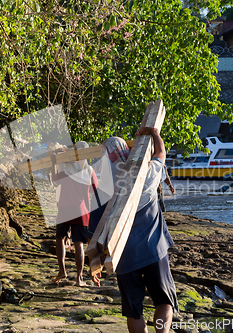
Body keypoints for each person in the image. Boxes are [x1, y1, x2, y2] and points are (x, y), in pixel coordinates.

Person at [92, 129, 179, 333]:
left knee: (133, 311)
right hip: (153, 249)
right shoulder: (146, 174)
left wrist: (94, 261)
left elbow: (96, 231)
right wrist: (155, 134)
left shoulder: (100, 188)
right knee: (164, 302)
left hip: (123, 256)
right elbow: (161, 154)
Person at [50, 141, 98, 286]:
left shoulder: (66, 168)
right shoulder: (89, 170)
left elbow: (55, 182)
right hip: (81, 210)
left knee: (59, 238)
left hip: (65, 208)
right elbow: (94, 191)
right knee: (78, 244)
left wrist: (53, 164)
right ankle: (79, 278)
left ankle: (62, 271)